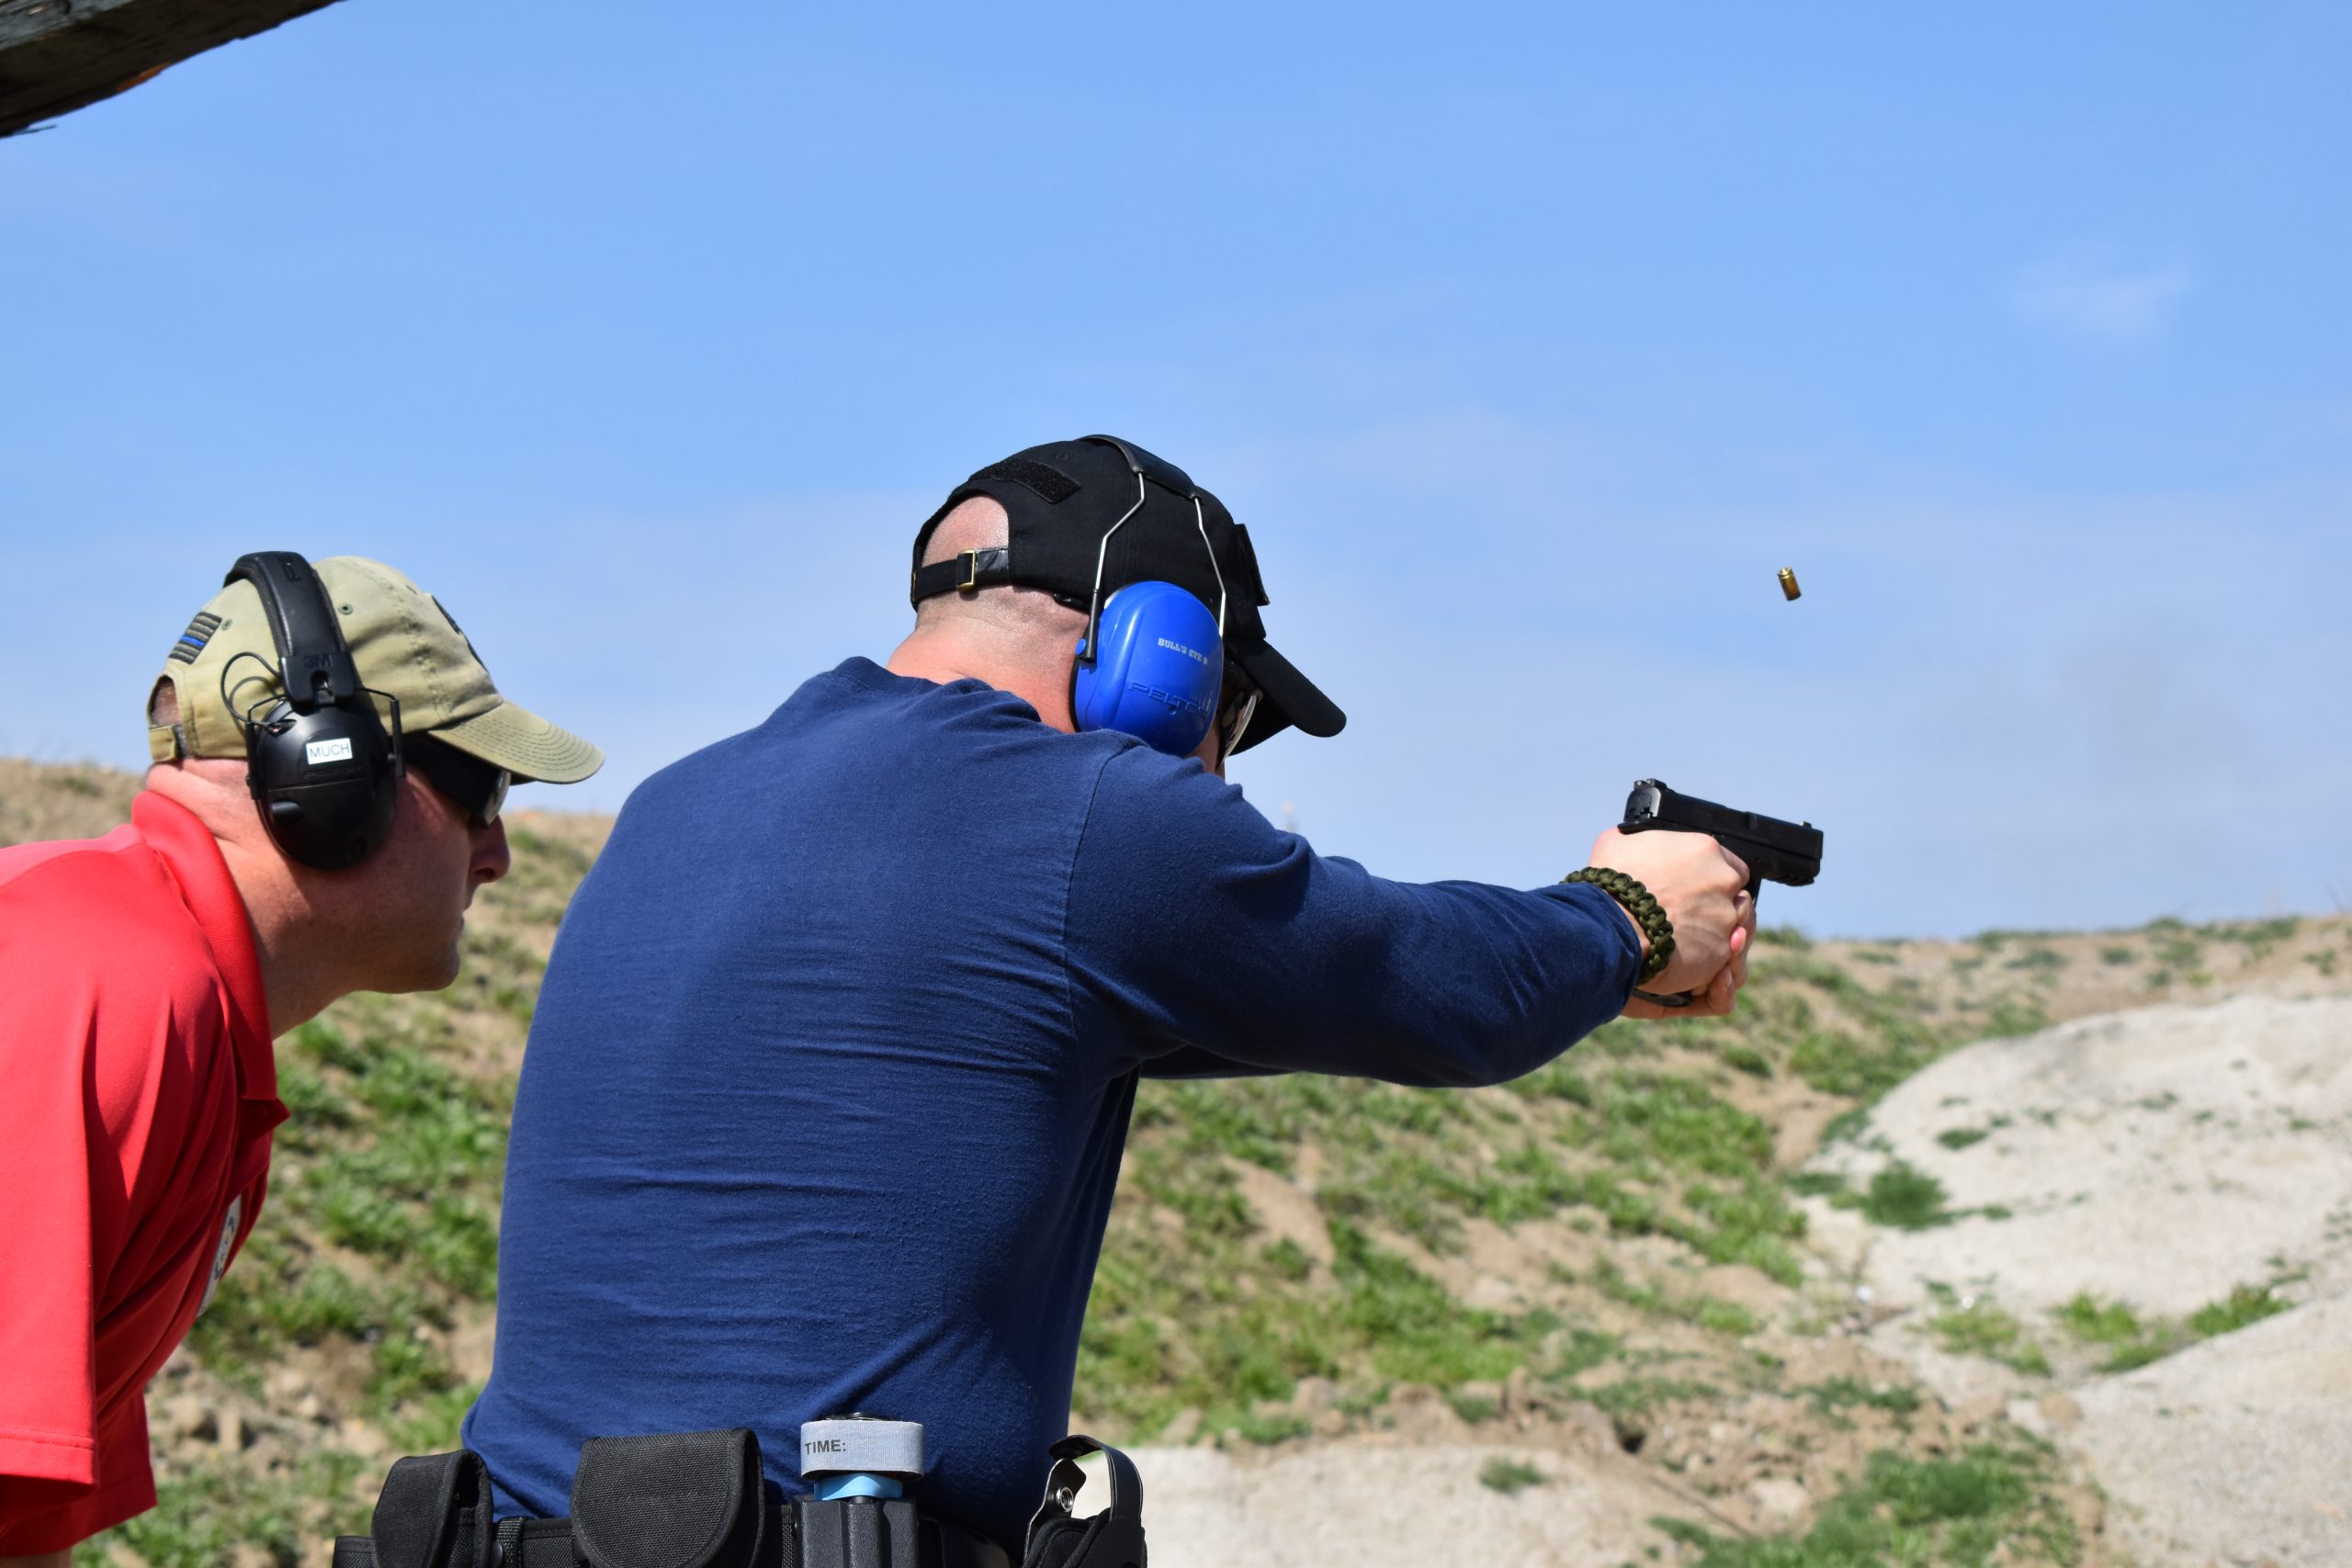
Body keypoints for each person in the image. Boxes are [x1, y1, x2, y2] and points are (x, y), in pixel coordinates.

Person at [462, 436, 1754, 1554]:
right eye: (1231, 715)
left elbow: (1075, 1015)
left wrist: (1576, 969)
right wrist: (1634, 914)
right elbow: (1445, 990)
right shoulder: (1086, 815)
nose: (1219, 764)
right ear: (1158, 655)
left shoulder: (683, 804)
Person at [0, 554, 604, 1565]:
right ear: (329, 769)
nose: (495, 852)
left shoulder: (176, 1004)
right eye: (480, 786)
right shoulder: (112, 988)